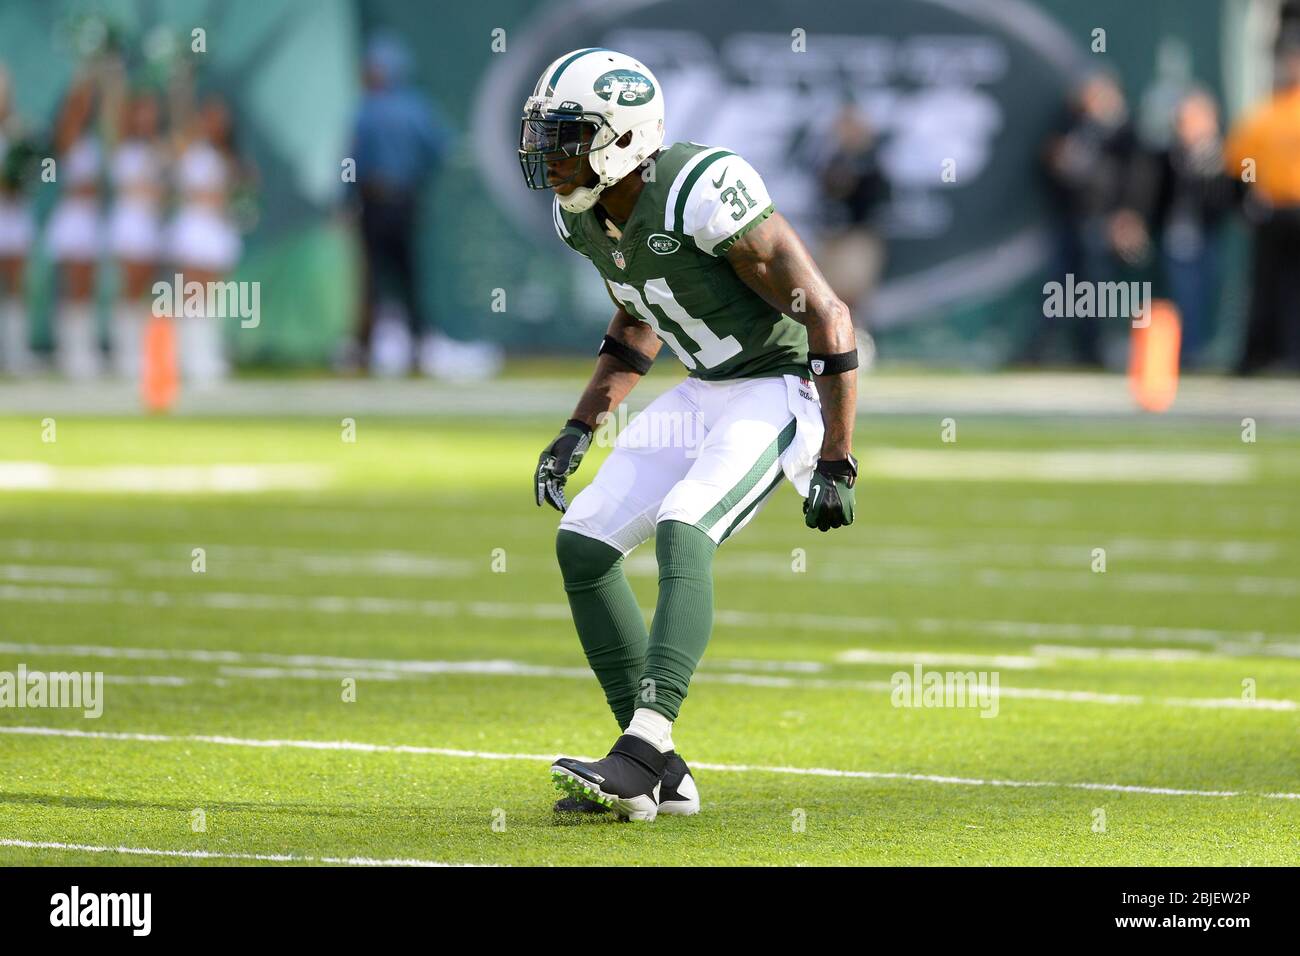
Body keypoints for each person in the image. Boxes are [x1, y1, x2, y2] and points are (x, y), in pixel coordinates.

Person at [520, 49, 859, 821]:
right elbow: (639, 315)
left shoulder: (700, 191)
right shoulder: (584, 215)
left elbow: (829, 314)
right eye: (546, 134)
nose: (551, 154)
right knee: (584, 539)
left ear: (626, 138)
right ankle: (659, 773)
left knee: (684, 524)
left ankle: (640, 752)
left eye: (568, 135)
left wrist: (836, 457)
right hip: (706, 388)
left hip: (781, 387)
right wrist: (579, 426)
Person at [346, 33, 451, 374]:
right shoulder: (415, 108)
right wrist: (417, 177)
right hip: (404, 201)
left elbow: (352, 160)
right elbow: (440, 148)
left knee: (375, 278)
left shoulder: (367, 109)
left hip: (374, 203)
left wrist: (343, 200)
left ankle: (367, 353)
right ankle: (415, 350)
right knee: (406, 277)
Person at [1032, 72, 1141, 367]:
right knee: (1060, 283)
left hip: (1102, 220)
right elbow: (1052, 163)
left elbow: (1136, 177)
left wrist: (1125, 215)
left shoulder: (1123, 133)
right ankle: (1045, 347)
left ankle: (1093, 349)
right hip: (1071, 218)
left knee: (1096, 286)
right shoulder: (1073, 127)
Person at [1126, 90, 1236, 367]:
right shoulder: (1167, 157)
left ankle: (1201, 349)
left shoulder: (1223, 156)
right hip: (1175, 236)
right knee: (1181, 294)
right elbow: (1150, 192)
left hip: (1208, 235)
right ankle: (1184, 353)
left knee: (1205, 292)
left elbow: (1229, 197)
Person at [1223, 36, 1300, 374]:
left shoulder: (1267, 113)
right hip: (1276, 210)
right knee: (1267, 287)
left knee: (1278, 286)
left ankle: (1280, 353)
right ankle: (1265, 353)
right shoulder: (1265, 114)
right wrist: (1254, 191)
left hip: (1284, 209)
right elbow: (1239, 162)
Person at [166, 95, 243, 384]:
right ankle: (188, 358)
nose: (215, 124)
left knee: (211, 294)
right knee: (191, 293)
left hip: (217, 230)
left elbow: (237, 193)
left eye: (220, 119)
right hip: (194, 228)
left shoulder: (230, 156)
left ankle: (207, 354)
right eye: (209, 117)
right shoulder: (190, 149)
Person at [816, 105, 889, 367]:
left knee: (853, 295)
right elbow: (825, 195)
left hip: (857, 236)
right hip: (833, 236)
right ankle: (836, 345)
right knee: (830, 295)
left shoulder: (871, 161)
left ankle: (860, 346)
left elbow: (876, 200)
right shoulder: (832, 158)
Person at [45, 74, 105, 379]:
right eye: (77, 103)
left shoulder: (95, 139)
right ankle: (69, 352)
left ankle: (83, 349)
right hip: (72, 218)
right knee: (73, 286)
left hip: (90, 219)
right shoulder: (66, 133)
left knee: (87, 286)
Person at [107, 89, 166, 379]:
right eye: (140, 112)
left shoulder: (160, 148)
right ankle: (124, 354)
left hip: (152, 226)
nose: (145, 118)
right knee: (130, 286)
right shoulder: (121, 147)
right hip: (129, 225)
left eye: (150, 113)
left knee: (149, 291)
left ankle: (144, 353)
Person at [0, 65, 37, 373]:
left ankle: (16, 354)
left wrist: (17, 181)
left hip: (12, 218)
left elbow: (32, 173)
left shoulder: (18, 131)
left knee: (16, 285)